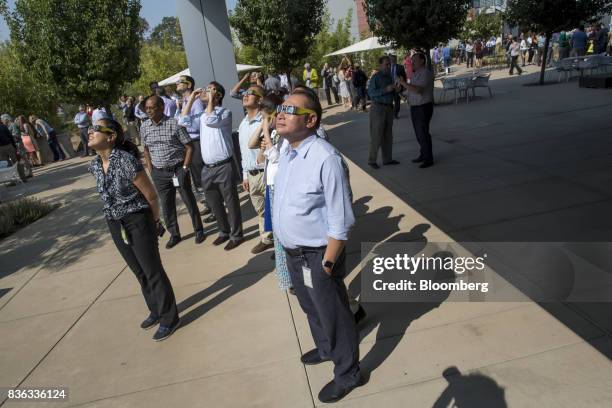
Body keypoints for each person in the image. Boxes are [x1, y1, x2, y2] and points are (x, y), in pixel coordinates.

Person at [273, 90, 362, 403]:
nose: (279, 114)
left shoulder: (326, 158)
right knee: (311, 307)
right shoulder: (287, 150)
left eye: (289, 110)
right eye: (279, 108)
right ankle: (326, 348)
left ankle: (348, 372)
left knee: (334, 313)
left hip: (318, 254)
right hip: (294, 253)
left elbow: (341, 220)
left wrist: (327, 263)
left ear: (310, 120)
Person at [87, 118, 180, 341]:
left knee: (152, 270)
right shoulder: (94, 165)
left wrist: (154, 222)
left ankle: (170, 318)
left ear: (111, 137)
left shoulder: (126, 160)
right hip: (114, 222)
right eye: (91, 128)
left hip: (138, 220)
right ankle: (156, 309)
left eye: (97, 129)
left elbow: (151, 196)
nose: (91, 132)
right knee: (139, 271)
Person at [179, 82, 244, 251]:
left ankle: (236, 235)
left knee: (231, 202)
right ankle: (224, 231)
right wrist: (191, 99)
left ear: (218, 95)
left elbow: (211, 118)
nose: (205, 91)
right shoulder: (201, 115)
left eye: (210, 89)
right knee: (214, 202)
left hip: (224, 166)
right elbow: (183, 120)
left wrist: (210, 99)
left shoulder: (225, 113)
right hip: (207, 168)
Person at [140, 95, 205, 249]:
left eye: (152, 107)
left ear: (162, 107)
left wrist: (184, 168)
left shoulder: (174, 124)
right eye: (146, 108)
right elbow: (146, 150)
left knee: (189, 200)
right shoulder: (144, 127)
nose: (148, 111)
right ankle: (174, 234)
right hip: (159, 173)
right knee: (167, 205)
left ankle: (199, 230)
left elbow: (190, 147)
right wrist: (151, 170)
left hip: (178, 170)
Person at [237, 85, 274, 254]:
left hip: (265, 173)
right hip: (251, 175)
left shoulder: (267, 121)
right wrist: (245, 175)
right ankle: (267, 238)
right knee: (260, 210)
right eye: (245, 93)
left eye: (251, 93)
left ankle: (270, 240)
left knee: (272, 210)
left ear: (260, 99)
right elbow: (244, 152)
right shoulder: (243, 123)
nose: (245, 95)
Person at [175, 74, 210, 216]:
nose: (177, 84)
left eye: (180, 82)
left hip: (196, 142)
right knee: (196, 177)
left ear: (189, 85)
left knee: (202, 175)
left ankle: (213, 205)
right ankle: (208, 203)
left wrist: (184, 122)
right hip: (187, 142)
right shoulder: (183, 102)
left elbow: (196, 124)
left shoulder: (195, 102)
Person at [400, 52, 435, 169]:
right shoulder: (416, 74)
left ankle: (428, 158)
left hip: (423, 107)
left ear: (422, 61)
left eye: (414, 60)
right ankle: (423, 154)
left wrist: (403, 83)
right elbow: (411, 90)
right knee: (418, 133)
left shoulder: (425, 73)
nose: (412, 62)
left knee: (423, 133)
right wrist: (401, 92)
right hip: (415, 107)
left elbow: (418, 90)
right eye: (411, 60)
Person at [367, 56, 400, 169]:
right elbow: (371, 93)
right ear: (380, 65)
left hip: (389, 108)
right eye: (386, 64)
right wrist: (386, 89)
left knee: (388, 135)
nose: (388, 66)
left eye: (389, 64)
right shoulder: (375, 77)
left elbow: (392, 92)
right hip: (378, 108)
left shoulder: (390, 77)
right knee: (377, 135)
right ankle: (372, 160)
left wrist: (397, 89)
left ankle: (387, 159)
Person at [389, 54, 406, 118]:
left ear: (395, 60)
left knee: (397, 100)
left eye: (393, 59)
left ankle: (395, 114)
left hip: (398, 86)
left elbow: (404, 76)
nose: (392, 60)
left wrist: (404, 86)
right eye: (391, 59)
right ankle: (391, 112)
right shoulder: (387, 67)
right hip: (390, 86)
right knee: (389, 100)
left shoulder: (400, 67)